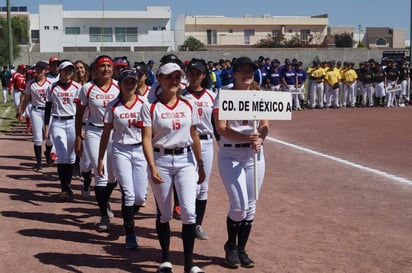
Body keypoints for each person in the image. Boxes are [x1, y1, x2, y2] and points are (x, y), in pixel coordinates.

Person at [141, 58, 206, 273]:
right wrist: (152, 167)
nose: (174, 81)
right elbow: (147, 139)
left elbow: (194, 133)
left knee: (189, 212)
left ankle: (189, 263)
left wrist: (201, 163)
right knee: (165, 213)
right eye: (168, 76)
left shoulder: (189, 104)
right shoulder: (150, 106)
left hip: (185, 160)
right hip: (161, 159)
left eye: (177, 77)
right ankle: (166, 258)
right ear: (159, 78)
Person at [212, 56, 269, 269]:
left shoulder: (259, 95)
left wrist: (260, 138)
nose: (247, 74)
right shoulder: (224, 95)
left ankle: (241, 249)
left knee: (251, 206)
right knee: (239, 206)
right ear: (234, 73)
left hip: (254, 155)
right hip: (230, 155)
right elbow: (221, 128)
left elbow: (264, 124)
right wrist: (247, 138)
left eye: (250, 71)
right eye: (243, 71)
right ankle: (230, 245)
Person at [97, 68, 148, 249]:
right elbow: (105, 134)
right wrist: (101, 158)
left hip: (140, 150)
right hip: (120, 150)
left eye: (133, 82)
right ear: (120, 84)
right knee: (129, 193)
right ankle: (130, 234)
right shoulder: (113, 105)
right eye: (126, 82)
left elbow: (150, 132)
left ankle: (128, 217)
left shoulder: (144, 103)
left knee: (140, 197)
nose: (130, 85)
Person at [75, 55, 119, 232]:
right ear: (95, 70)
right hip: (94, 131)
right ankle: (103, 215)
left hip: (115, 134)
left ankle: (105, 199)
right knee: (100, 172)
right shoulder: (87, 88)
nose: (106, 69)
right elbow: (79, 115)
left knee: (113, 177)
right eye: (102, 66)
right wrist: (78, 137)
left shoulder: (119, 87)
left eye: (109, 66)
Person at [182, 58, 216, 240]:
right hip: (186, 142)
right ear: (187, 74)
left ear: (204, 75)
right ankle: (187, 219)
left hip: (206, 141)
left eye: (198, 73)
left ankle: (197, 225)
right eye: (191, 72)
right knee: (188, 184)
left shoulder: (212, 96)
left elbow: (218, 123)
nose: (195, 76)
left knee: (203, 186)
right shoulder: (180, 95)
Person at [44, 60, 81, 199]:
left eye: (70, 70)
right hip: (58, 121)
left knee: (71, 156)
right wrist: (46, 126)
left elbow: (81, 109)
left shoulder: (77, 87)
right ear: (60, 71)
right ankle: (64, 187)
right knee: (62, 154)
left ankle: (68, 185)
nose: (68, 72)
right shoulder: (52, 87)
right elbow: (48, 108)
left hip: (72, 121)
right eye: (65, 69)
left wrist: (81, 127)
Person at [17, 61, 53, 172]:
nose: (38, 71)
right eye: (37, 69)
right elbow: (27, 98)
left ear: (46, 70)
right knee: (38, 137)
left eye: (41, 69)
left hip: (49, 111)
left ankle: (47, 154)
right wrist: (21, 112)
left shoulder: (51, 83)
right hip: (36, 110)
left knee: (49, 138)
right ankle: (38, 163)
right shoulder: (31, 83)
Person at [72, 60, 93, 196]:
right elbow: (76, 111)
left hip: (98, 126)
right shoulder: (75, 87)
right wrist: (79, 130)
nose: (80, 70)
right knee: (85, 161)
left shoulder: (92, 85)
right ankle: (86, 181)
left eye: (82, 68)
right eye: (77, 68)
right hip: (83, 124)